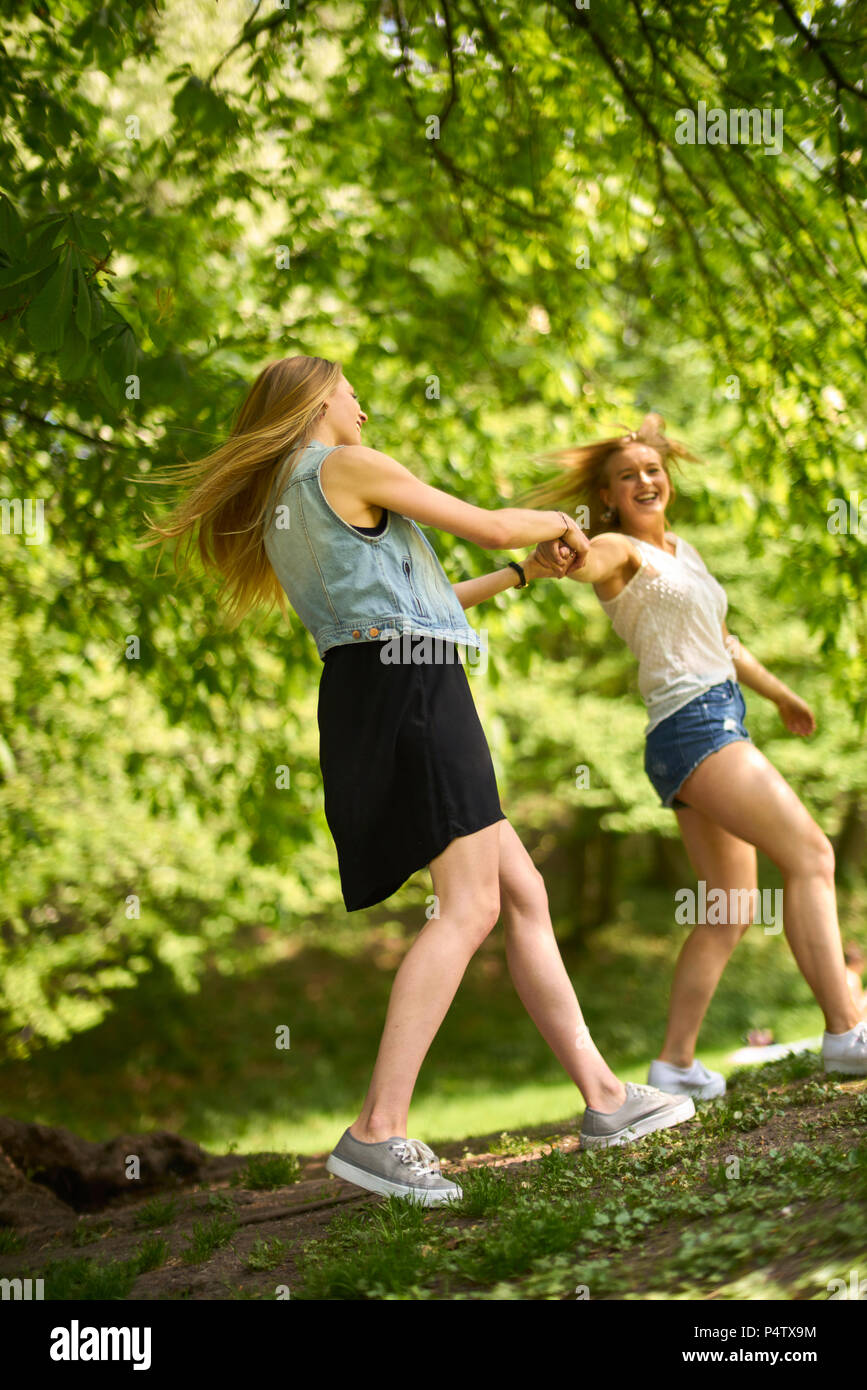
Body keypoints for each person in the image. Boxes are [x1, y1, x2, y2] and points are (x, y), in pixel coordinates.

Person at [139, 357, 695, 1205]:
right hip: (415, 690)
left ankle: (607, 1097)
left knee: (521, 894)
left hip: (379, 681)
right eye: (350, 389)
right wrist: (557, 523)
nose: (362, 402)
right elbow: (483, 522)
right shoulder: (346, 465)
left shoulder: (290, 496)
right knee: (468, 904)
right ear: (320, 399)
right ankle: (375, 1130)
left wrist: (521, 575)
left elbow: (406, 603)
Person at [528, 412, 867, 1095]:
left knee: (728, 909)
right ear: (608, 498)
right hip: (696, 727)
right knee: (810, 855)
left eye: (652, 470)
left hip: (701, 725)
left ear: (667, 480)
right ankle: (846, 1031)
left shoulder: (683, 552)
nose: (645, 481)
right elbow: (587, 562)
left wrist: (779, 695)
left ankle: (674, 1065)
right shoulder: (620, 549)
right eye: (627, 477)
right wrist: (565, 547)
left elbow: (724, 642)